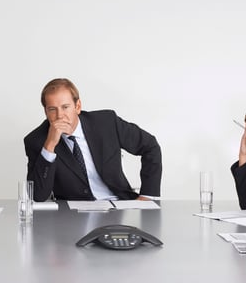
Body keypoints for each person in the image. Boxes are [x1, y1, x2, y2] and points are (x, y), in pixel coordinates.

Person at [24, 78, 162, 202]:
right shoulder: (36, 140)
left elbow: (150, 146)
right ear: (46, 112)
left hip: (118, 204)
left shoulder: (106, 122)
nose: (60, 115)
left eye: (65, 107)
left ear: (77, 106)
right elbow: (38, 195)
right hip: (71, 215)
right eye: (52, 109)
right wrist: (50, 145)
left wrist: (148, 195)